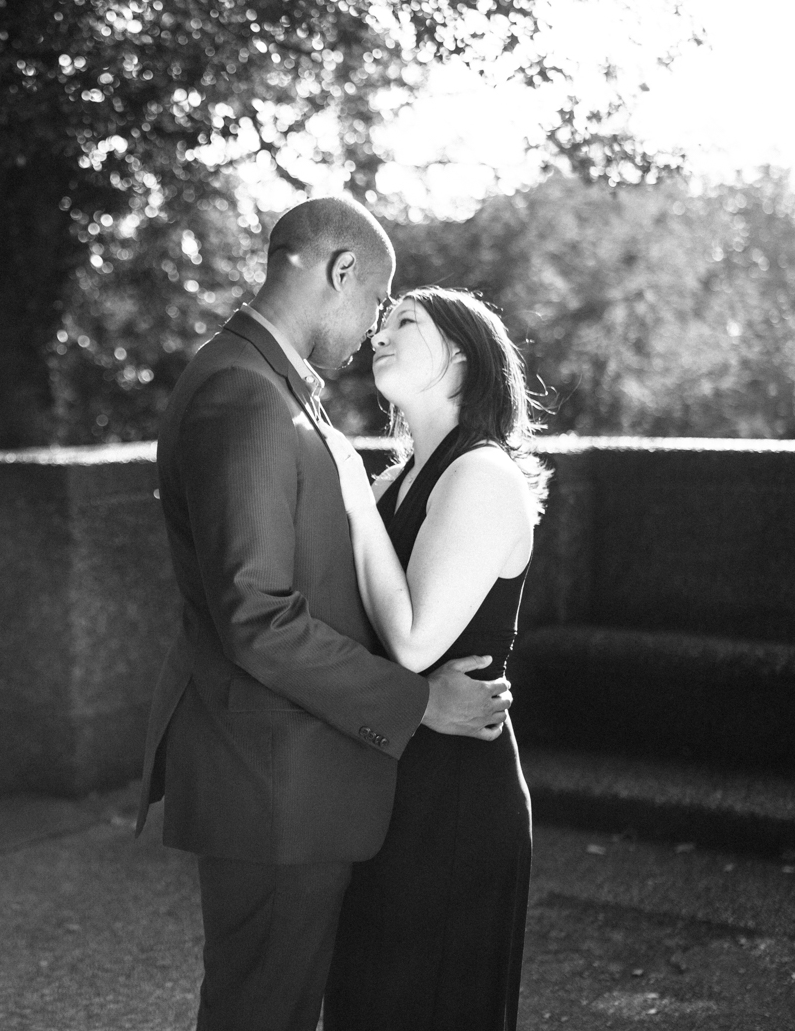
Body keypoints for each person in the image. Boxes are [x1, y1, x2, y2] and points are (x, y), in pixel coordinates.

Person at [135, 200, 513, 1031]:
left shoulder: (267, 387)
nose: (372, 331)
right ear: (340, 271)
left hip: (290, 778)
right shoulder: (245, 393)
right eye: (378, 304)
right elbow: (257, 617)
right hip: (273, 785)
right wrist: (417, 703)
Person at [318, 287, 549, 1031]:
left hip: (455, 796)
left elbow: (413, 638)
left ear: (460, 355)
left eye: (406, 322)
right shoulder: (398, 478)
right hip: (391, 775)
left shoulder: (481, 474)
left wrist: (351, 492)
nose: (381, 333)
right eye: (381, 322)